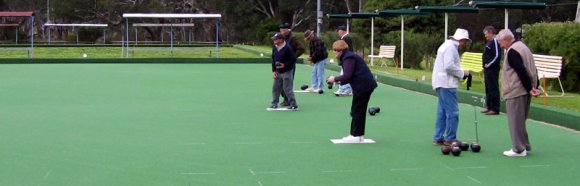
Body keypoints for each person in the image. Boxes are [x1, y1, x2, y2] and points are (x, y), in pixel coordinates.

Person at [496, 29, 540, 157]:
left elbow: (521, 70)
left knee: (515, 120)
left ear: (507, 40)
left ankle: (518, 149)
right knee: (520, 119)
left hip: (516, 90)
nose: (500, 45)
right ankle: (524, 145)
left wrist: (529, 87)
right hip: (524, 89)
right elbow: (532, 68)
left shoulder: (512, 51)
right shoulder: (524, 47)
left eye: (501, 42)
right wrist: (533, 86)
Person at [326, 40, 377, 143]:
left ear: (342, 50)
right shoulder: (348, 56)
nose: (335, 52)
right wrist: (339, 82)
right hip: (364, 85)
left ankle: (355, 135)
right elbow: (350, 76)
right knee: (359, 110)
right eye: (334, 50)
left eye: (336, 50)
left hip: (363, 85)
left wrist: (334, 79)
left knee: (357, 110)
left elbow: (347, 75)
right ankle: (359, 135)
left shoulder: (348, 57)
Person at [431, 28, 471, 145]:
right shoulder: (451, 48)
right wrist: (463, 73)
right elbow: (449, 66)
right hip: (447, 84)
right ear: (462, 40)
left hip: (441, 82)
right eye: (465, 41)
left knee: (442, 111)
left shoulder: (446, 45)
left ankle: (438, 137)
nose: (465, 44)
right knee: (453, 112)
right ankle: (450, 138)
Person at [278, 23, 305, 106]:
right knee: (280, 83)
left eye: (283, 30)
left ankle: (288, 100)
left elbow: (301, 48)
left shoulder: (293, 38)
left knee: (287, 83)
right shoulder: (282, 38)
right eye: (280, 30)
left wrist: (293, 57)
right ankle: (286, 97)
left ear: (288, 30)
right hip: (281, 64)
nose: (281, 31)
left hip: (289, 64)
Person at [270, 32, 298, 110]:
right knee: (275, 88)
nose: (274, 41)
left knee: (287, 88)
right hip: (278, 71)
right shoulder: (274, 47)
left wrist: (284, 65)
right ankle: (274, 103)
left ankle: (293, 104)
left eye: (276, 39)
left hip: (287, 71)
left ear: (281, 40)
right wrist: (273, 71)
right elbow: (273, 59)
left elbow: (293, 59)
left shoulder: (288, 48)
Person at [481, 26, 503, 115]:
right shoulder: (490, 42)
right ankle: (489, 106)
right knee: (488, 87)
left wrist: (488, 64)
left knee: (493, 87)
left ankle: (495, 108)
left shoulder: (495, 41)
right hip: (487, 69)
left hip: (492, 69)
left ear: (490, 32)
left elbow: (497, 55)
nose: (485, 36)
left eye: (486, 34)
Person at [335, 26, 353, 96]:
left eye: (338, 31)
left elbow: (345, 49)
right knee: (345, 73)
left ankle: (343, 89)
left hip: (346, 59)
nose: (338, 33)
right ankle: (346, 89)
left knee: (344, 74)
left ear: (342, 31)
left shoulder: (346, 38)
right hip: (346, 59)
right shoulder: (345, 38)